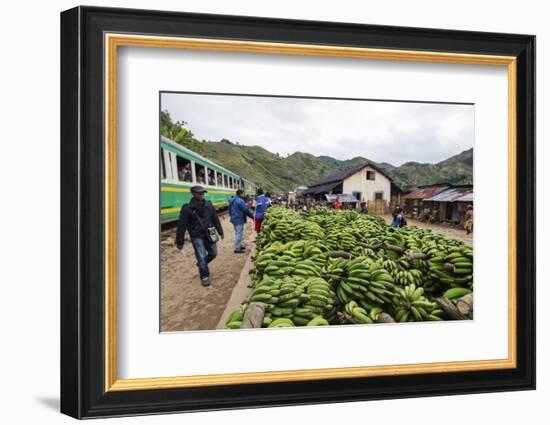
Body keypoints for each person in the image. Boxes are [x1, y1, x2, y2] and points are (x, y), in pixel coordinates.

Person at [175, 186, 224, 287]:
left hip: (210, 232)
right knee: (201, 256)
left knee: (213, 253)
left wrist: (220, 231)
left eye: (203, 193)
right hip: (197, 235)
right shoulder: (187, 208)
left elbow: (215, 219)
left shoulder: (208, 204)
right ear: (193, 193)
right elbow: (181, 225)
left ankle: (202, 264)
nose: (202, 195)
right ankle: (204, 276)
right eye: (199, 193)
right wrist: (180, 241)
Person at [229, 189, 254, 253]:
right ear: (240, 194)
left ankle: (239, 245)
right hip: (239, 219)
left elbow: (229, 210)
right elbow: (245, 210)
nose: (244, 195)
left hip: (234, 218)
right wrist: (252, 217)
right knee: (239, 233)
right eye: (243, 193)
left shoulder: (232, 200)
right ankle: (237, 248)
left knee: (237, 232)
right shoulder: (240, 201)